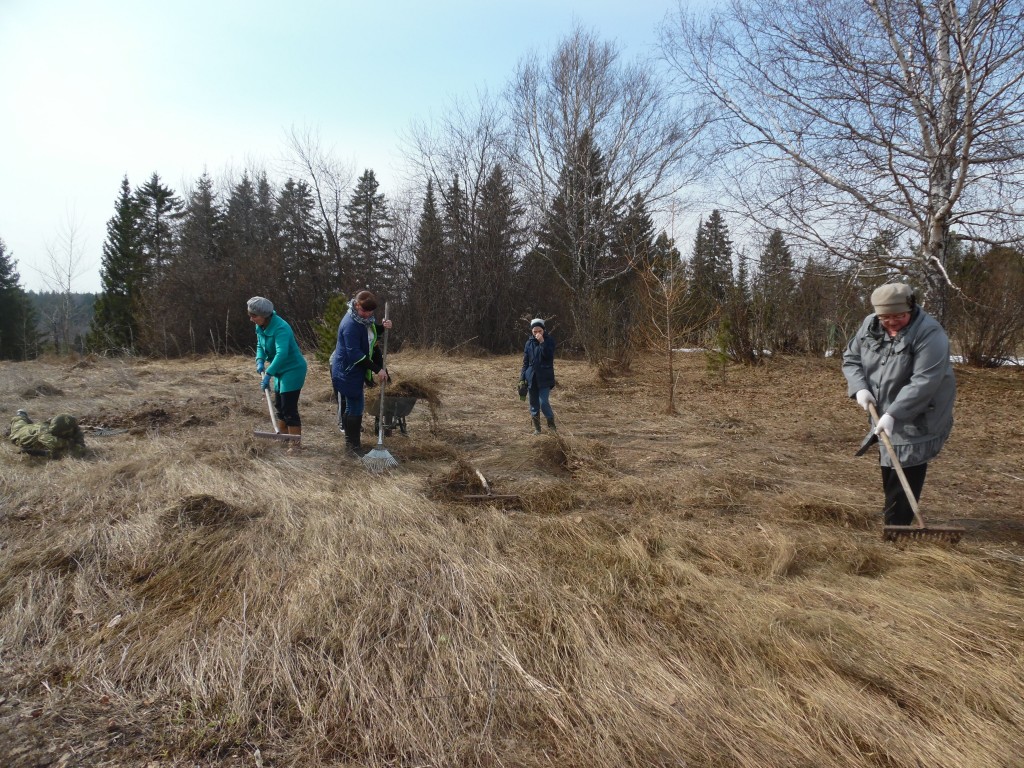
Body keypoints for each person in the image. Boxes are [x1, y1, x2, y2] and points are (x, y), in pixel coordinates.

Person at [842, 283, 956, 526]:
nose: (891, 322)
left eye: (899, 316)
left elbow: (925, 381)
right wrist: (860, 387)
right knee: (890, 457)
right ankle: (893, 515)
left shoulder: (929, 333)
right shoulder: (870, 325)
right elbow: (851, 359)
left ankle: (897, 525)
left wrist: (894, 413)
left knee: (908, 459)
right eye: (885, 317)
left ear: (911, 309)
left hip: (922, 411)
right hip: (884, 407)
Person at [331, 290, 392, 455]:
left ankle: (351, 445)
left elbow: (370, 335)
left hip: (355, 370)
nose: (367, 314)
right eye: (364, 311)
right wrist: (377, 369)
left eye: (371, 311)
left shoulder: (364, 320)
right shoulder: (351, 325)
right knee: (356, 406)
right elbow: (355, 354)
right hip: (347, 370)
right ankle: (353, 447)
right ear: (356, 305)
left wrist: (382, 327)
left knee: (353, 406)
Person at [248, 296, 308, 445]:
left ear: (264, 315)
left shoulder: (281, 328)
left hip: (293, 369)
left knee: (289, 407)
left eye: (254, 316)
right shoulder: (260, 325)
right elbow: (260, 345)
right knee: (280, 406)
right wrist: (259, 360)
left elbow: (282, 354)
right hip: (280, 369)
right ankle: (283, 438)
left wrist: (269, 373)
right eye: (250, 315)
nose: (251, 319)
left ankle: (295, 444)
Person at [520, 317, 557, 434]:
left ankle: (552, 427)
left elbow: (548, 356)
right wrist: (522, 379)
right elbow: (525, 363)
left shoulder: (549, 341)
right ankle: (537, 429)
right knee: (533, 404)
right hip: (531, 378)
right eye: (534, 331)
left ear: (543, 330)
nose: (537, 333)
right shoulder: (528, 343)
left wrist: (542, 342)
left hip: (545, 377)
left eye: (539, 331)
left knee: (543, 402)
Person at [8, 409, 86, 459]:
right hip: (21, 432)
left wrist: (77, 440)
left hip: (37, 428)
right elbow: (54, 443)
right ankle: (21, 414)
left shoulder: (72, 429)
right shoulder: (45, 433)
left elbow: (78, 450)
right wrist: (70, 443)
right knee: (19, 420)